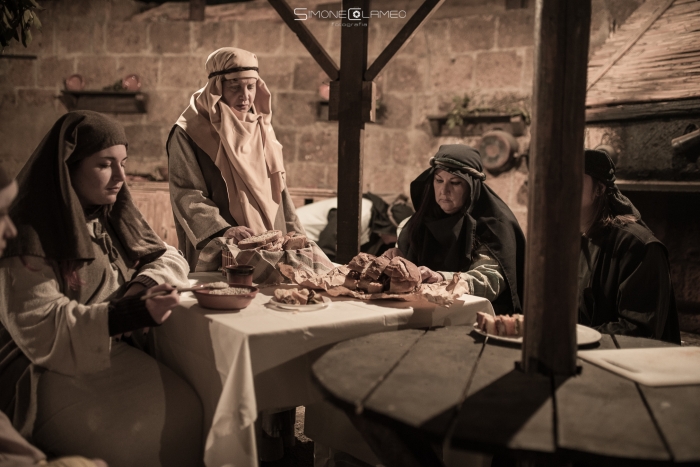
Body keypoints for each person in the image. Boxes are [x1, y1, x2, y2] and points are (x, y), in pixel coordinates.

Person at [0, 111, 204, 467]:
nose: (121, 178)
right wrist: (129, 312)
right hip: (42, 364)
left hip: (104, 346)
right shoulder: (27, 235)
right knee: (134, 438)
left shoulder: (108, 213)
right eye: (105, 165)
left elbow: (168, 255)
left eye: (124, 163)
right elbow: (42, 325)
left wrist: (142, 283)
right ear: (69, 168)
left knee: (190, 408)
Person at [0, 168, 107, 467]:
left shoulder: (109, 219)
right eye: (0, 214)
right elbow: (42, 323)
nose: (10, 230)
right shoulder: (27, 248)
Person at [168, 47, 305, 270]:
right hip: (225, 243)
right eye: (235, 87)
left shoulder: (261, 126)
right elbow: (186, 192)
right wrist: (223, 229)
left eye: (251, 87)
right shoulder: (189, 131)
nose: (245, 96)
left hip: (271, 241)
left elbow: (278, 187)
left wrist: (295, 231)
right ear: (217, 87)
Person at [397, 144, 525, 314]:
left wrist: (441, 278)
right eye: (439, 180)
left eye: (455, 182)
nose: (444, 190)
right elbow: (407, 254)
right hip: (422, 310)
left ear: (471, 187)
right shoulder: (426, 215)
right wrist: (397, 257)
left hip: (474, 317)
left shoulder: (493, 224)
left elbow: (490, 279)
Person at [578, 148, 680, 343]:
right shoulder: (572, 240)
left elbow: (639, 329)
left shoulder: (637, 246)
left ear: (599, 189)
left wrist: (571, 337)